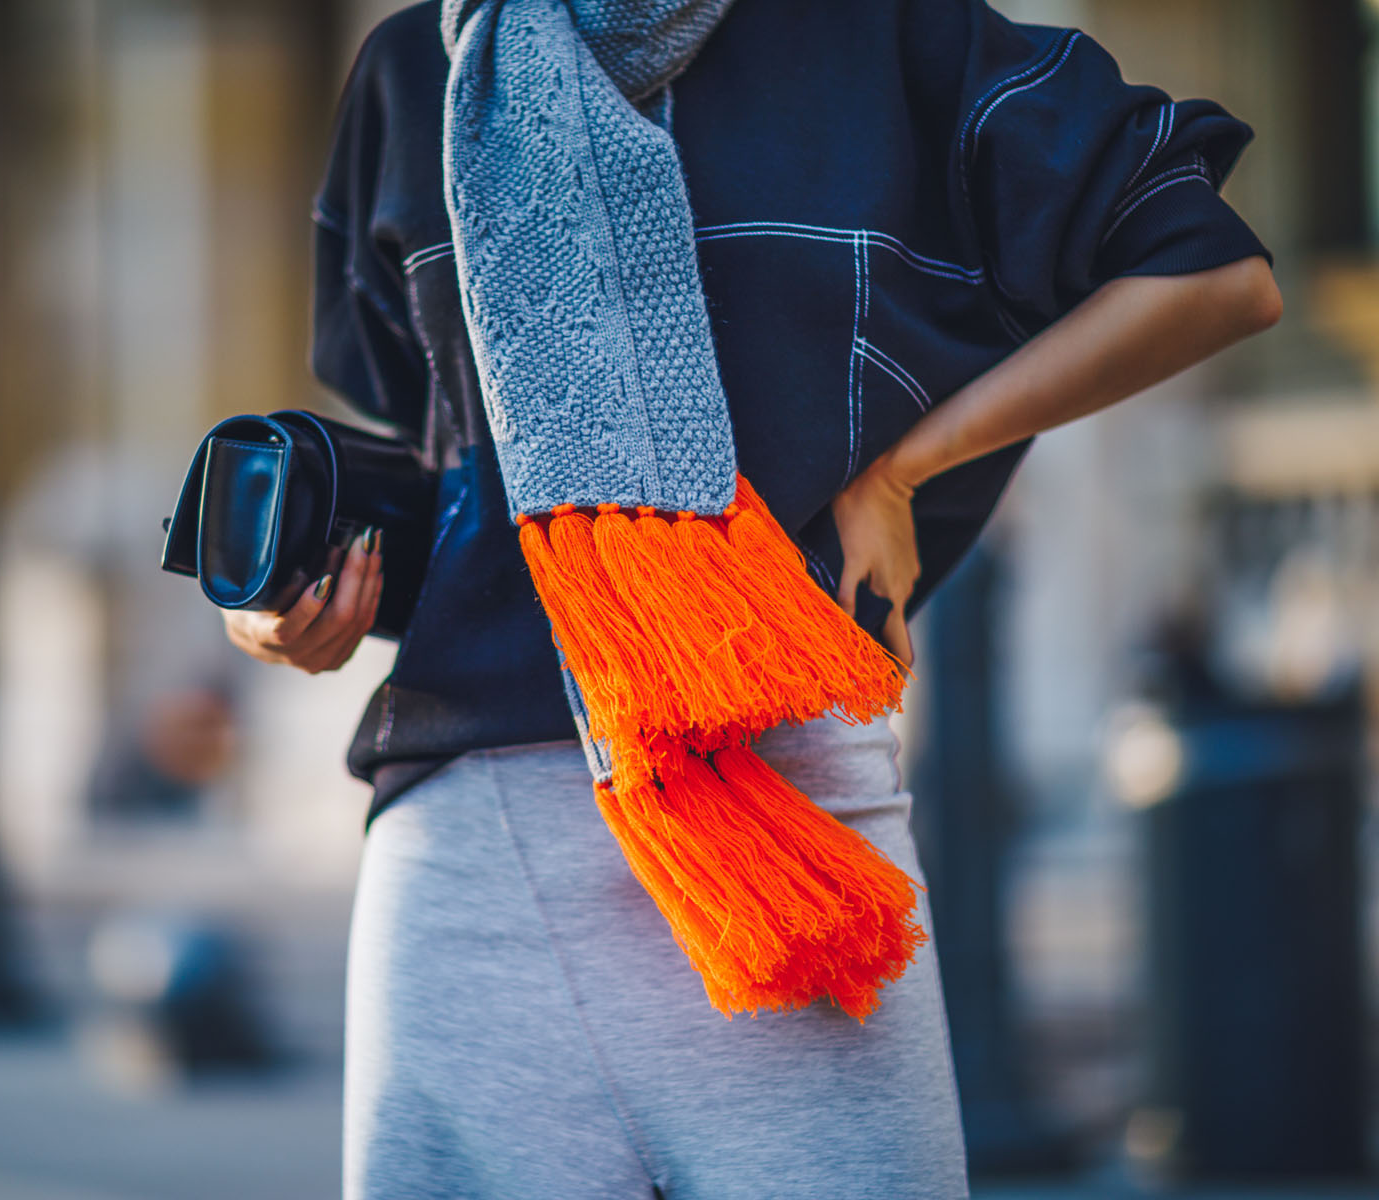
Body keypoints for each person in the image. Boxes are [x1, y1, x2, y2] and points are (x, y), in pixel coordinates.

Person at [222, 1, 1280, 1196]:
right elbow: (451, 466)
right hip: (476, 860)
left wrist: (907, 465)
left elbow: (1213, 275)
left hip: (789, 854)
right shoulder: (424, 63)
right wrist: (297, 601)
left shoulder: (884, 35)